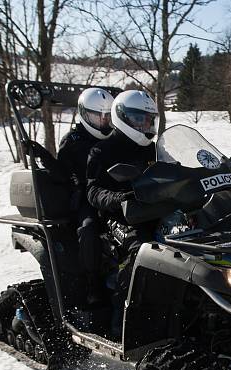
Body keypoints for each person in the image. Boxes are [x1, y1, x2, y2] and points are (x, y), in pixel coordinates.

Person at [85, 89, 159, 335]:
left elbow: (173, 171)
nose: (146, 125)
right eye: (141, 119)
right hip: (118, 217)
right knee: (141, 252)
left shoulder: (153, 148)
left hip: (154, 210)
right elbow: (93, 191)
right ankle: (123, 323)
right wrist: (119, 198)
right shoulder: (103, 150)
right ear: (124, 117)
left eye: (150, 119)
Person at [57, 87, 114, 304]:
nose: (103, 121)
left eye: (107, 116)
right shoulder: (73, 140)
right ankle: (92, 283)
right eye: (97, 116)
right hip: (84, 196)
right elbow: (64, 172)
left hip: (110, 193)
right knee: (89, 228)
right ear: (84, 113)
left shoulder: (113, 137)